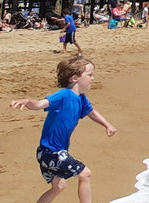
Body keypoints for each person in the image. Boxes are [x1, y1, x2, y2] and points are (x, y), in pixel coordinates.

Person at [11, 55, 116, 203]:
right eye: (90, 75)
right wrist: (28, 101)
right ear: (74, 78)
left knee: (58, 187)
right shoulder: (64, 95)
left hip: (50, 152)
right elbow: (40, 104)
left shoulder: (82, 99)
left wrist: (107, 125)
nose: (93, 78)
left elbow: (92, 113)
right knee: (85, 174)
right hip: (51, 152)